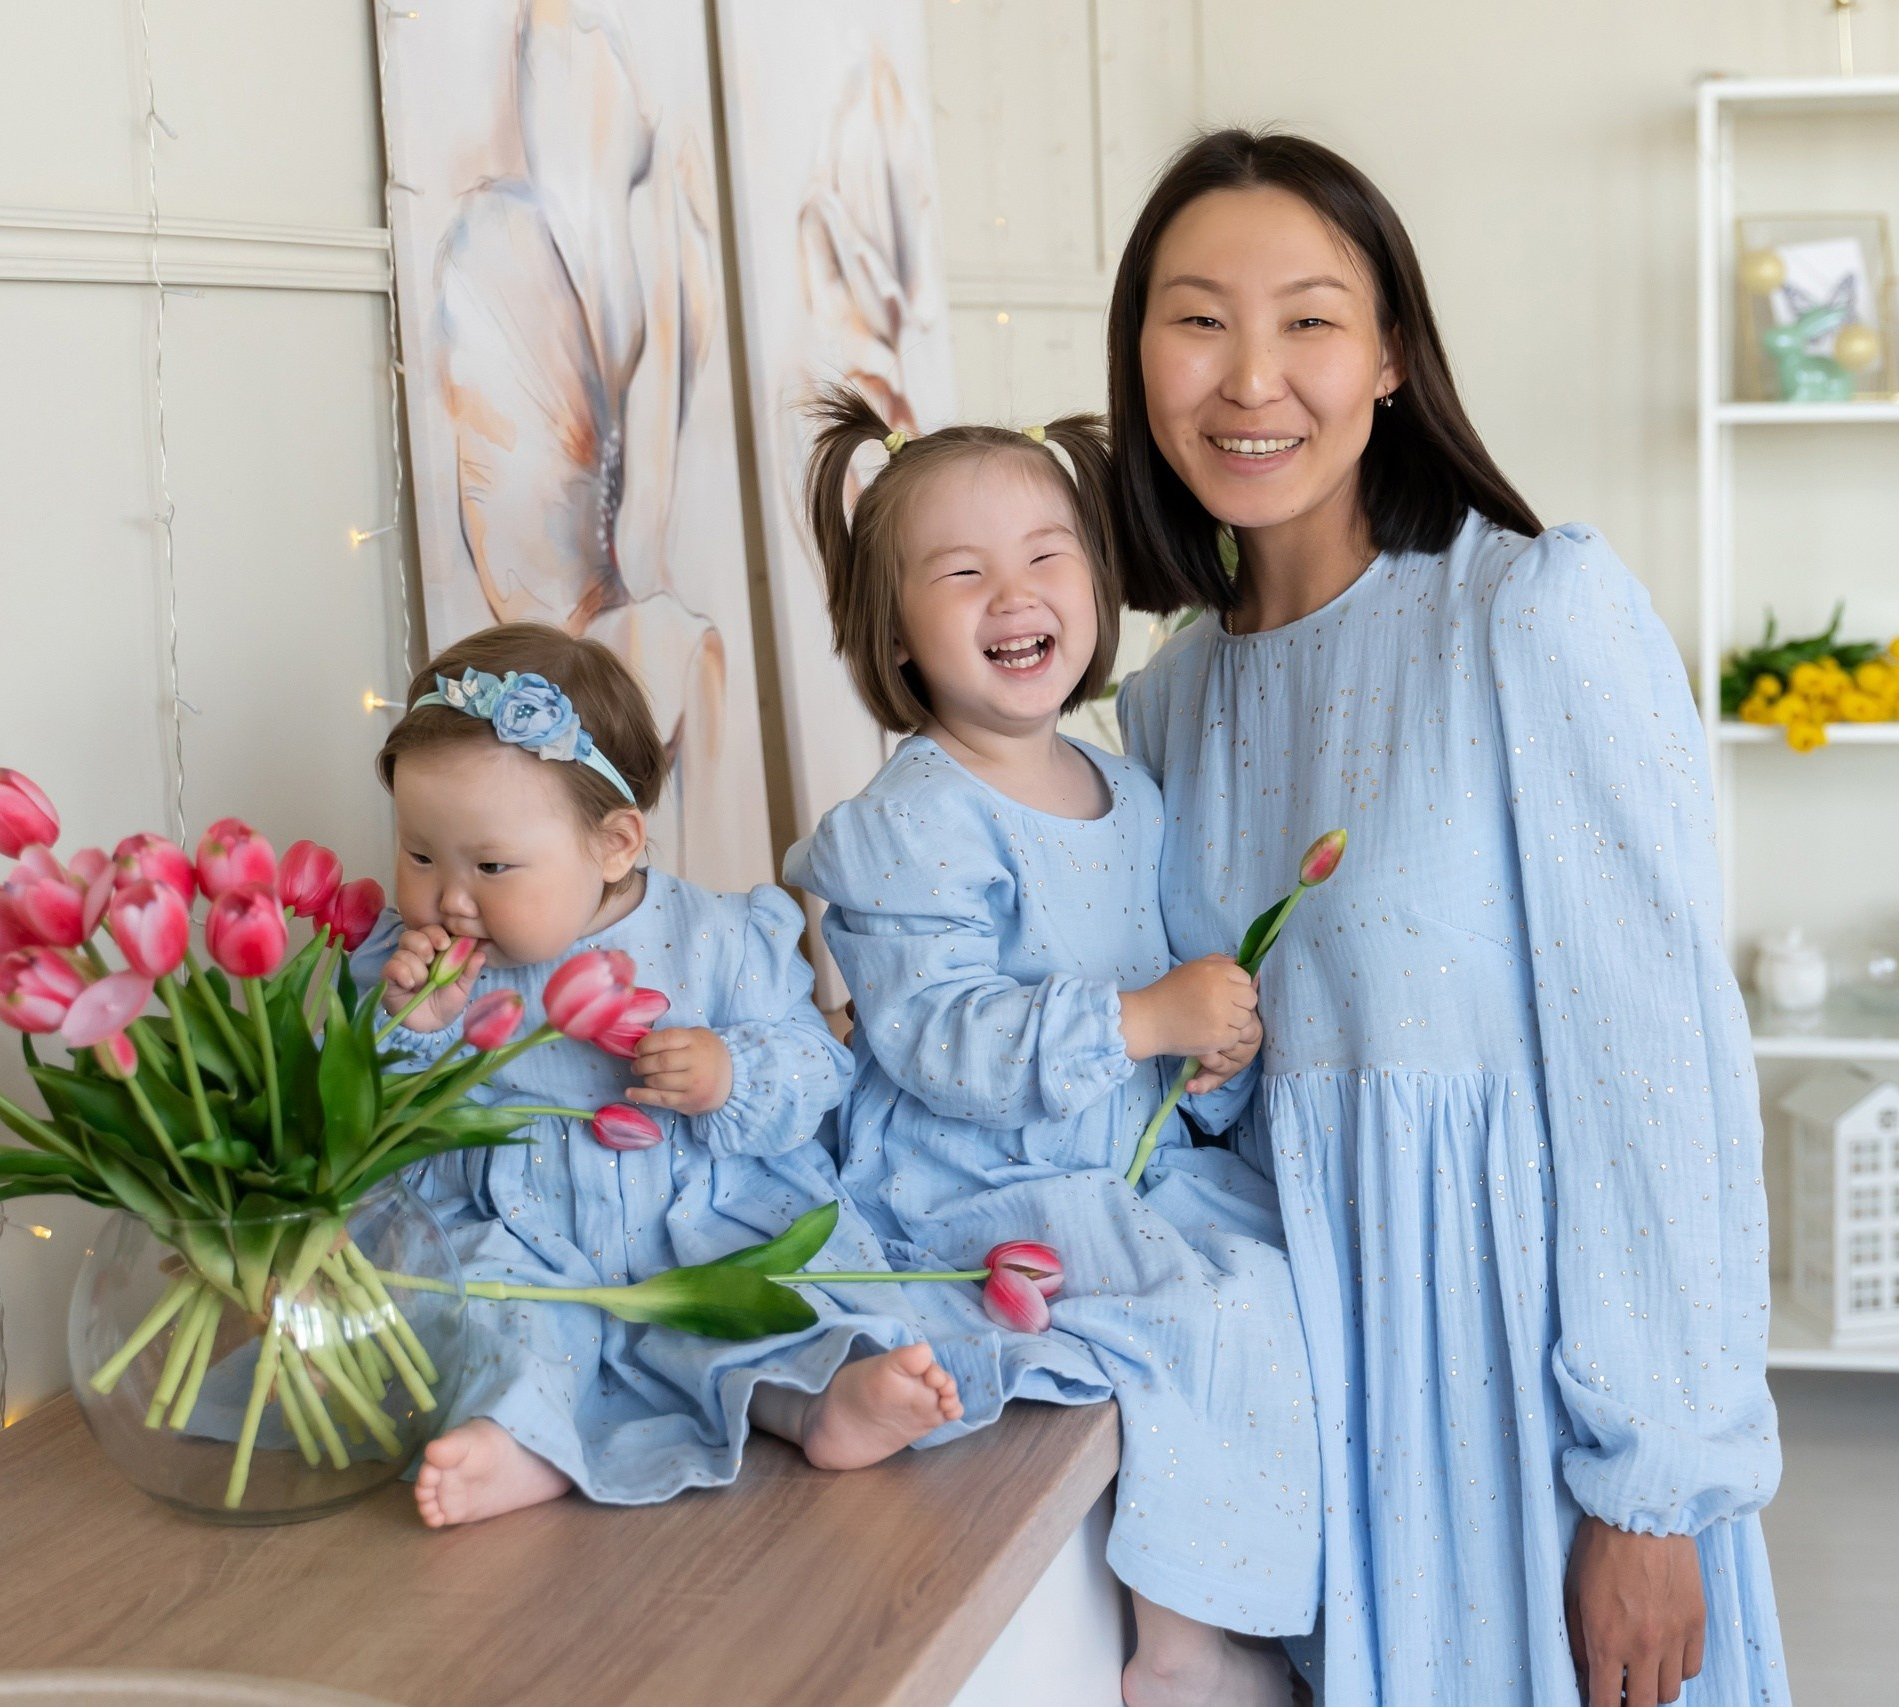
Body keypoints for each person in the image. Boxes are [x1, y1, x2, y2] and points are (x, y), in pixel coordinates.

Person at [1110, 131, 1789, 1707]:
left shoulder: (1528, 614)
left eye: (1310, 319)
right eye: (1198, 317)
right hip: (1318, 1421)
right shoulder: (1165, 709)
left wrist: (1650, 1485)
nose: (1250, 378)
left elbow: (1657, 1071)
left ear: (1393, 356)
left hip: (1530, 1405)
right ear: (1139, 351)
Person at [785, 390, 1322, 1707]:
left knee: (1281, 1275)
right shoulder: (913, 817)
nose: (1011, 591)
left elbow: (1165, 987)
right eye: (959, 571)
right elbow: (932, 1033)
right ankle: (1186, 1638)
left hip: (1120, 1158)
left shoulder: (1126, 788)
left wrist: (1210, 1057)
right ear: (896, 630)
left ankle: (1276, 1599)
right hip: (977, 1179)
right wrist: (1143, 1018)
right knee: (1199, 1312)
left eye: (1045, 554)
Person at [357, 623, 962, 1529]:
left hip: (701, 1209)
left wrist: (731, 1072)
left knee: (769, 1295)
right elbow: (373, 1122)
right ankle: (521, 1438)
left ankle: (818, 1398)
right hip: (521, 1227)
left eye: (489, 866)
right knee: (488, 1309)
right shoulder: (416, 966)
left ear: (615, 843)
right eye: (419, 854)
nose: (449, 897)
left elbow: (814, 1069)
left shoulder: (720, 935)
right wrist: (414, 1030)